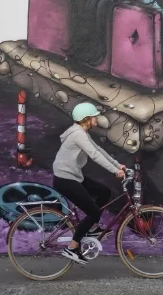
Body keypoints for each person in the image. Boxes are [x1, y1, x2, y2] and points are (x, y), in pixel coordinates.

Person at [52, 102, 125, 265]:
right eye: (94, 117)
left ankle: (91, 228)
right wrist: (114, 171)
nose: (97, 119)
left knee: (104, 192)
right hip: (65, 179)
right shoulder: (78, 134)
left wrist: (117, 165)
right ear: (86, 119)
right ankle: (72, 247)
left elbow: (98, 150)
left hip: (73, 175)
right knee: (93, 212)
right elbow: (94, 155)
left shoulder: (81, 132)